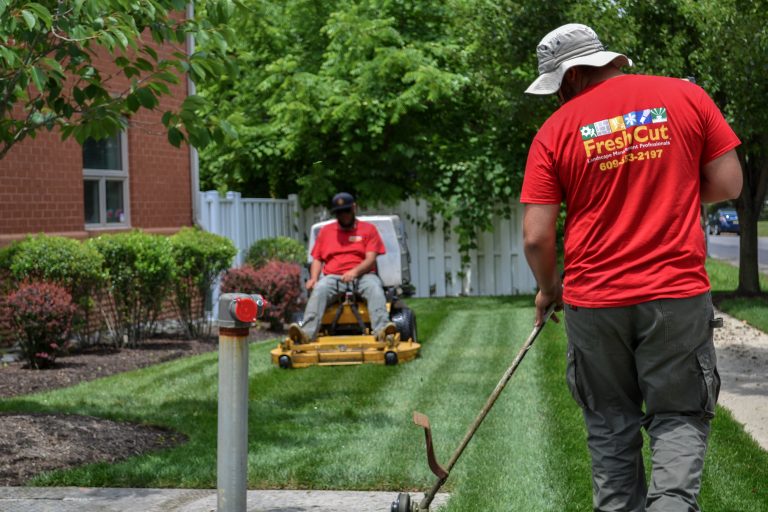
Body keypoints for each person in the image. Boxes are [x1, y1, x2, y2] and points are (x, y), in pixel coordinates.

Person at [521, 23, 743, 512]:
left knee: (610, 425)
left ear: (572, 75)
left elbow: (537, 236)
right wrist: (674, 194)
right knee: (679, 415)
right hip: (676, 294)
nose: (557, 97)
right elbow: (729, 184)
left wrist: (547, 288)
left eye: (557, 86)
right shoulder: (685, 97)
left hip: (594, 300)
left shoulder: (555, 131)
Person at [288, 192, 396, 343]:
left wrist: (355, 271)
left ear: (354, 208)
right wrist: (313, 278)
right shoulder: (326, 232)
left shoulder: (368, 230)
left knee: (374, 288)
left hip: (363, 275)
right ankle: (306, 334)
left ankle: (382, 331)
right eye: (339, 212)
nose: (343, 215)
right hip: (333, 277)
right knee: (319, 290)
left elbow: (371, 259)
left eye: (346, 210)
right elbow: (317, 258)